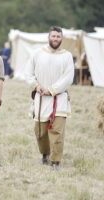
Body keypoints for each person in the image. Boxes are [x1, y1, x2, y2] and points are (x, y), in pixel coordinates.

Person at [28, 26, 74, 170]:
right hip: (41, 99)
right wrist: (37, 86)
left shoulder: (67, 56)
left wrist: (52, 90)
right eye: (53, 36)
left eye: (58, 36)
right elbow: (28, 73)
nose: (55, 39)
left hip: (58, 99)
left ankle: (55, 161)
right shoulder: (37, 53)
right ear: (48, 37)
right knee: (40, 132)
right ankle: (45, 154)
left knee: (57, 132)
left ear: (62, 38)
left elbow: (68, 77)